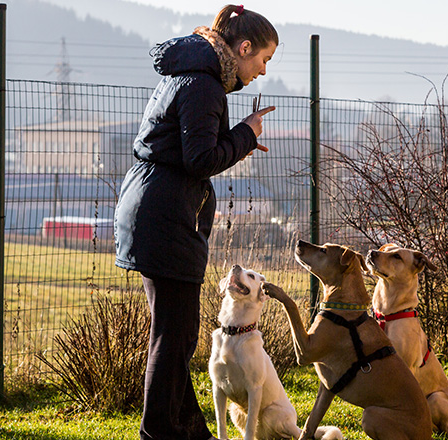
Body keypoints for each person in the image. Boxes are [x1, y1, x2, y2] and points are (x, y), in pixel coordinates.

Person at [113, 5, 277, 440]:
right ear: (243, 48)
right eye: (263, 60)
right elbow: (200, 158)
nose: (261, 72)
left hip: (153, 208)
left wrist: (238, 135)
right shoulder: (204, 85)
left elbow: (190, 151)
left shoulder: (191, 73)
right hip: (166, 218)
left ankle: (188, 432)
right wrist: (246, 134)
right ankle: (159, 433)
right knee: (174, 340)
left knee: (174, 337)